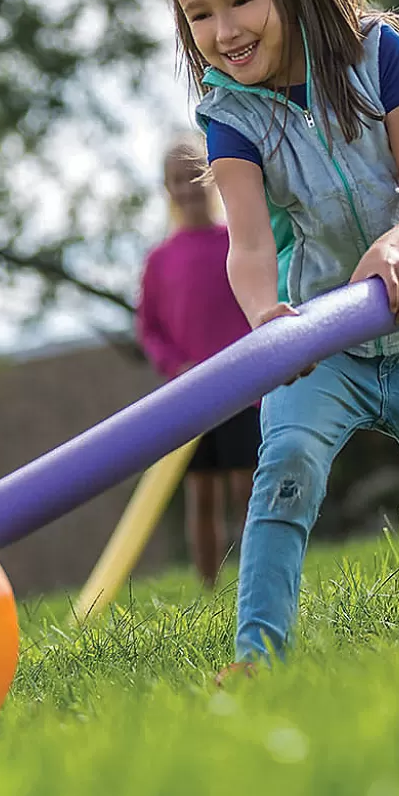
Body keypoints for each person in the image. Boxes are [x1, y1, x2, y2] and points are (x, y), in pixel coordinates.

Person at [164, 0, 399, 669]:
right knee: (285, 471)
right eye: (200, 15)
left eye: (241, 1)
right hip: (316, 344)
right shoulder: (228, 112)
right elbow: (249, 240)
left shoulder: (375, 53)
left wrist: (396, 247)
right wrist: (269, 319)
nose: (224, 31)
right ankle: (256, 660)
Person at [136, 134, 258, 587]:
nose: (187, 188)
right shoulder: (159, 261)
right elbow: (149, 329)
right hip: (189, 396)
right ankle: (210, 588)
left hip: (246, 390)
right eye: (176, 181)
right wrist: (176, 366)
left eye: (193, 176)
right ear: (166, 189)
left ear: (210, 176)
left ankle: (257, 579)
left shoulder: (239, 240)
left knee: (248, 489)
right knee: (202, 494)